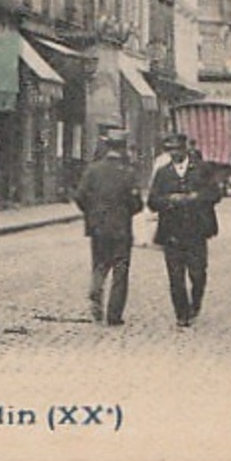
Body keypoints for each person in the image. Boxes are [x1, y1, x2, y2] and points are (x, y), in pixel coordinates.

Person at [147, 131, 222, 328]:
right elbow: (152, 201)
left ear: (186, 148)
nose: (174, 154)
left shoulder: (202, 169)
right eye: (170, 150)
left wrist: (196, 197)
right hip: (171, 232)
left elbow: (215, 194)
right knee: (175, 275)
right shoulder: (163, 173)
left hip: (196, 232)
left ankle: (195, 303)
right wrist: (169, 200)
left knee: (198, 273)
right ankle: (181, 313)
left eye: (178, 150)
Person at [75, 137, 143, 326]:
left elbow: (80, 196)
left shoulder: (92, 170)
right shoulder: (128, 173)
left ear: (107, 148)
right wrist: (128, 211)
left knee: (99, 263)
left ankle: (96, 287)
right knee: (120, 269)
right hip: (121, 227)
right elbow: (137, 204)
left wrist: (92, 214)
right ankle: (114, 315)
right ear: (122, 149)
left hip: (97, 227)